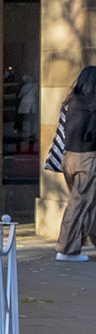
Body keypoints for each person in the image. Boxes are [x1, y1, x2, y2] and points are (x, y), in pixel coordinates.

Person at [52, 67, 96, 261]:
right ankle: (67, 250)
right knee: (79, 204)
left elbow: (62, 131)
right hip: (88, 159)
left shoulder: (70, 102)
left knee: (88, 202)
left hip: (69, 157)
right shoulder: (92, 104)